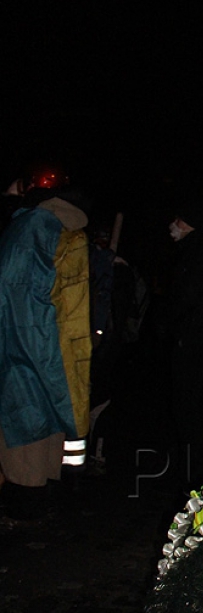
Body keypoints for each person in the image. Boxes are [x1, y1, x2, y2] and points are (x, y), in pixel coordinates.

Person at [0, 167, 91, 519]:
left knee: (25, 446)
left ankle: (28, 512)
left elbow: (17, 300)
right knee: (47, 426)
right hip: (48, 354)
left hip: (25, 353)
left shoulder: (29, 229)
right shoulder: (64, 232)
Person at [166, 198, 203, 490]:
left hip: (192, 339)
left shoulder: (198, 254)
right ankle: (189, 465)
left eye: (177, 220)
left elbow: (188, 299)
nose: (171, 226)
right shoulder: (199, 251)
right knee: (187, 404)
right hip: (195, 337)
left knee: (186, 404)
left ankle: (191, 469)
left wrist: (180, 332)